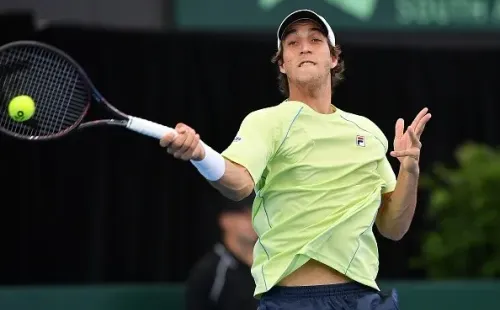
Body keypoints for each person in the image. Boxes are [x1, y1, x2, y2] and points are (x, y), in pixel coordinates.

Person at [160, 8, 431, 310]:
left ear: (333, 59)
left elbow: (394, 227)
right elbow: (237, 184)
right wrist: (199, 154)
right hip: (292, 301)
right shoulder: (266, 122)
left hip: (361, 299)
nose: (304, 46)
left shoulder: (368, 132)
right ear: (283, 64)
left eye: (315, 40)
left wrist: (409, 169)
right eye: (292, 43)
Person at [185, 194, 258, 310]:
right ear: (225, 220)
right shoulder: (209, 271)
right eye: (245, 214)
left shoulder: (271, 263)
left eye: (257, 213)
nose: (253, 219)